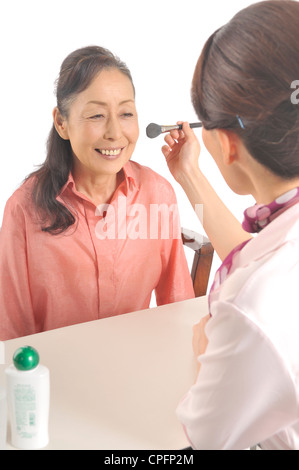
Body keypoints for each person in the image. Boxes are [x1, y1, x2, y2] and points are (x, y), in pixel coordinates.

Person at [162, 0, 299, 450]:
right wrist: (189, 175)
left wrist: (208, 350)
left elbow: (206, 436)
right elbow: (260, 254)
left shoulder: (251, 307)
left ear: (225, 142)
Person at [0, 46, 194, 340]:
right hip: (56, 376)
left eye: (126, 113)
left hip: (136, 368)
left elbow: (178, 307)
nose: (115, 132)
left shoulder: (157, 194)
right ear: (61, 122)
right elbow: (13, 331)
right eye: (96, 116)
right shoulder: (24, 209)